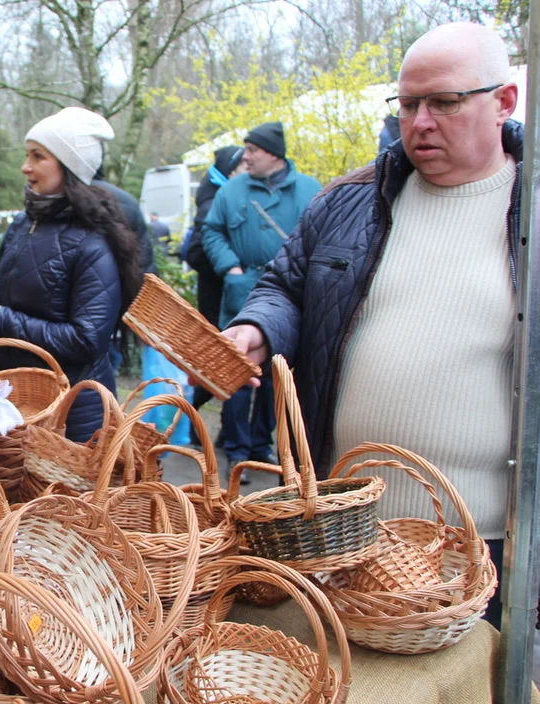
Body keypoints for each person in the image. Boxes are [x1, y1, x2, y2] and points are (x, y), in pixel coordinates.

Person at [225, 22, 520, 626]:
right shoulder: (351, 200)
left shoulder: (531, 209)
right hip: (340, 527)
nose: (420, 123)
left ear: (504, 102)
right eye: (408, 104)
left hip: (477, 542)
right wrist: (258, 327)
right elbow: (286, 285)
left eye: (445, 102)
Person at [0, 107, 144, 442]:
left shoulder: (92, 240)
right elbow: (12, 305)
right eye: (27, 154)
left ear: (69, 166)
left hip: (72, 414)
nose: (25, 166)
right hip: (19, 403)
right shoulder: (24, 224)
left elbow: (86, 340)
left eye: (38, 156)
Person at [202, 121, 321, 479]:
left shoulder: (310, 190)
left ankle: (260, 444)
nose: (246, 156)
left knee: (276, 373)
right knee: (235, 371)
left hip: (288, 297)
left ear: (272, 153)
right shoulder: (232, 190)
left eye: (252, 150)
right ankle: (236, 449)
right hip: (242, 292)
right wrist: (230, 268)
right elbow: (212, 231)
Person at [183, 145, 245, 416]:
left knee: (221, 368)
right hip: (217, 299)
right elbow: (196, 253)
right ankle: (186, 412)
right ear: (231, 170)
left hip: (225, 297)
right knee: (217, 369)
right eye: (243, 166)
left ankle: (192, 417)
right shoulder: (213, 203)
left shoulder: (228, 197)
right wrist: (230, 265)